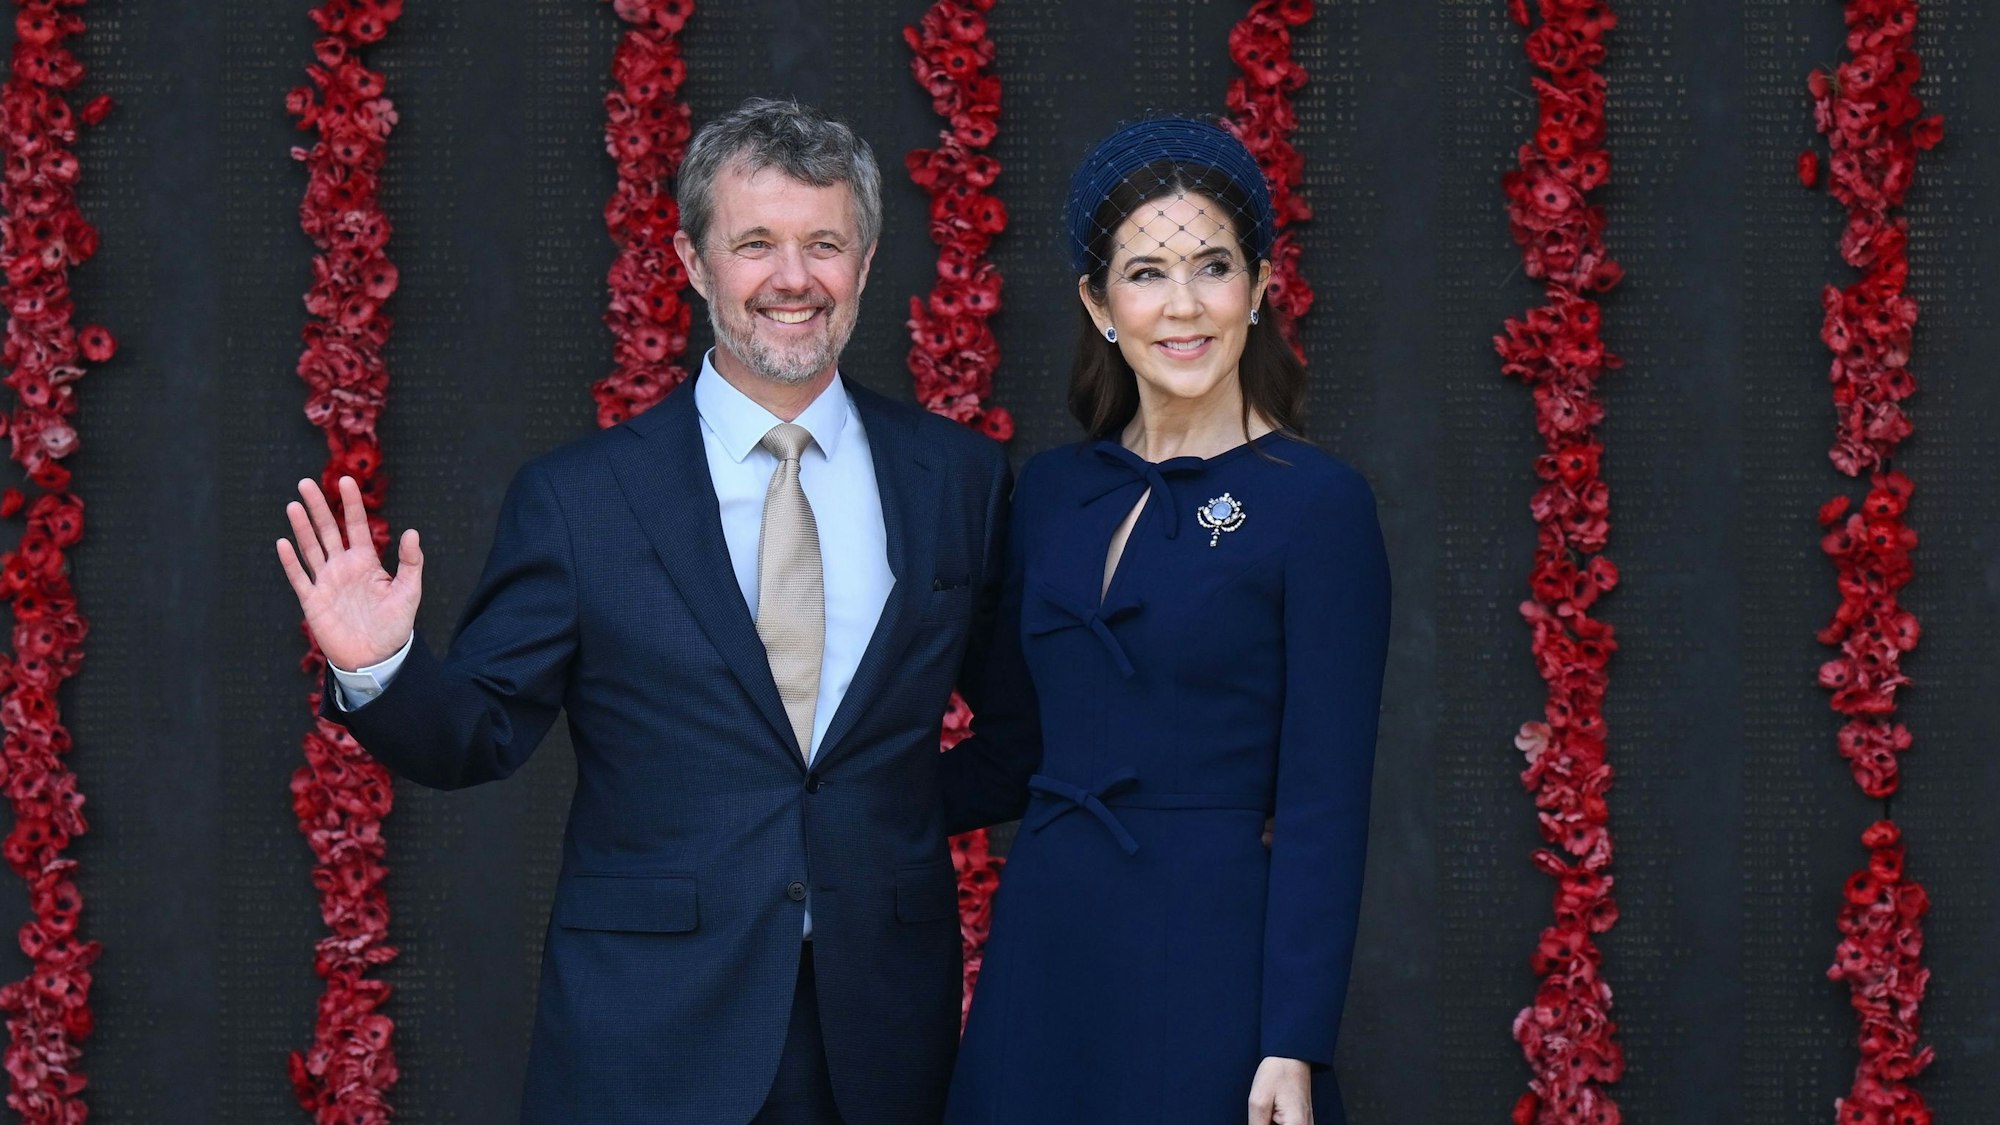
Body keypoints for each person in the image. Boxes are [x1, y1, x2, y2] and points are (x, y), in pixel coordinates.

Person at [274, 97, 1035, 1125]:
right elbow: (480, 733)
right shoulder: (581, 498)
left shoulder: (957, 478)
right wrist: (379, 669)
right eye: (754, 243)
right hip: (646, 1032)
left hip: (878, 1028)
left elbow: (1019, 735)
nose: (792, 279)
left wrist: (866, 829)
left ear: (862, 262)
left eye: (824, 244)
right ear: (691, 262)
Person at [943, 118, 1391, 1125]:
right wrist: (836, 811)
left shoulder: (1318, 505)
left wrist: (1293, 1042)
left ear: (1259, 287)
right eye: (1145, 273)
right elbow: (1012, 746)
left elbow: (1325, 800)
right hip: (1046, 946)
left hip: (1214, 956)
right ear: (1098, 304)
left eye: (1212, 267)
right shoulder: (1050, 492)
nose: (1181, 305)